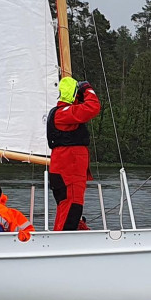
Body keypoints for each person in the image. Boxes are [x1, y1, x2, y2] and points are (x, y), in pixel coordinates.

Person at [47, 76, 100, 231]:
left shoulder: (64, 113)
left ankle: (72, 239)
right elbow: (93, 107)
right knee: (71, 210)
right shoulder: (64, 114)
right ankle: (62, 246)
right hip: (68, 174)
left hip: (67, 172)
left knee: (70, 211)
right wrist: (87, 89)